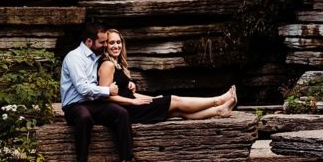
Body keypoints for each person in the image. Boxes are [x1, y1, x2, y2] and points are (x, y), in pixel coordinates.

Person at [98, 28, 237, 127]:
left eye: (118, 42)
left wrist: (151, 98)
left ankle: (219, 111)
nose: (116, 46)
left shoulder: (118, 64)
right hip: (128, 110)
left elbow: (128, 94)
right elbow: (105, 96)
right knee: (174, 100)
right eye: (112, 43)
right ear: (105, 46)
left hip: (134, 105)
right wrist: (134, 102)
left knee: (178, 112)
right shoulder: (107, 65)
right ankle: (218, 101)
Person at [59, 22, 143, 162]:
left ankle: (126, 161)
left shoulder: (96, 56)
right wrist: (107, 90)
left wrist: (128, 83)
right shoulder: (74, 58)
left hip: (93, 103)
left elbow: (116, 71)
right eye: (102, 42)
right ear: (89, 41)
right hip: (74, 106)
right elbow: (82, 88)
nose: (105, 45)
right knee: (84, 117)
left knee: (121, 113)